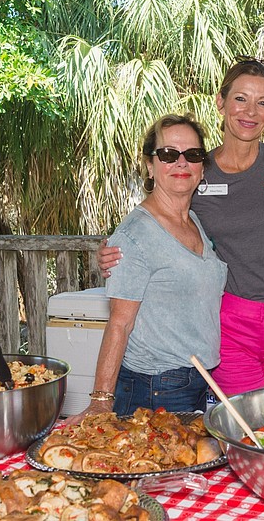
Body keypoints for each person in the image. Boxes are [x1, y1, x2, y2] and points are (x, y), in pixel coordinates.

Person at [100, 56, 264, 396]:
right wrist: (113, 251)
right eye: (240, 98)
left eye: (263, 103)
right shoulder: (196, 168)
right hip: (230, 323)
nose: (250, 111)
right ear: (221, 102)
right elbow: (158, 220)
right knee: (241, 420)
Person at [67, 114, 227, 424]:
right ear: (150, 166)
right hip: (155, 388)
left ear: (202, 167)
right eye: (168, 154)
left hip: (197, 381)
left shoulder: (194, 220)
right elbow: (120, 324)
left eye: (192, 154)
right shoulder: (135, 235)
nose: (181, 163)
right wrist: (100, 400)